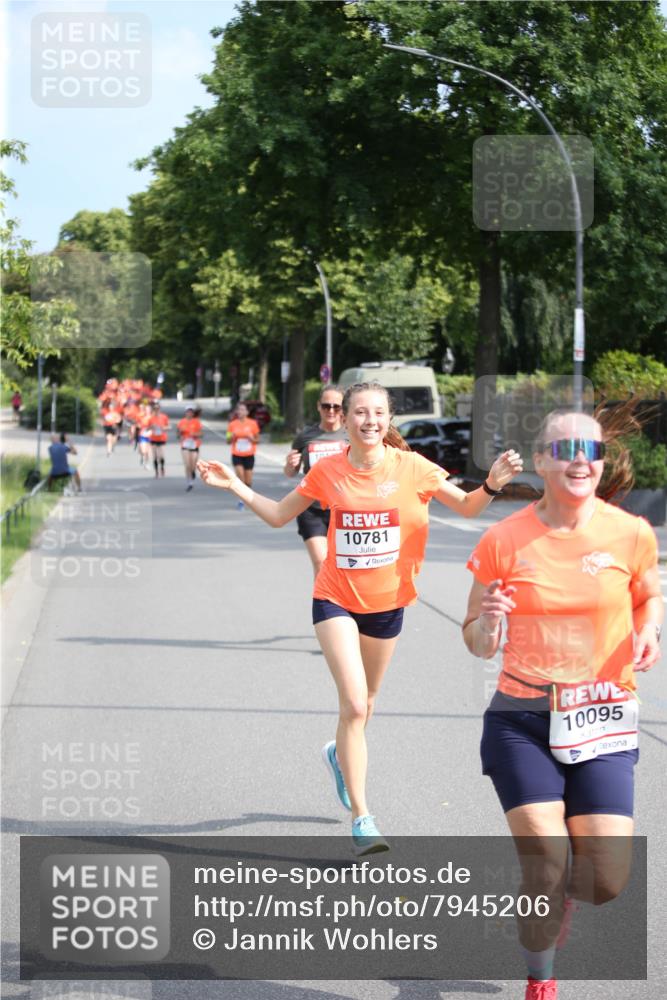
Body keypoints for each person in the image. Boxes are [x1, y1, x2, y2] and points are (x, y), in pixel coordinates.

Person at [199, 381, 523, 854]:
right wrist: (235, 485)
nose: (369, 421)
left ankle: (337, 754)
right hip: (335, 598)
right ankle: (363, 817)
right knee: (353, 705)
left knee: (367, 703)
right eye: (359, 413)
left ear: (388, 420)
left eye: (378, 413)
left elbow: (470, 507)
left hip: (389, 604)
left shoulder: (413, 467)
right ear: (344, 420)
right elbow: (278, 515)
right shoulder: (328, 470)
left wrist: (492, 482)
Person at [462, 408, 662, 1000]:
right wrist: (489, 626)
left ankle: (554, 898)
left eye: (591, 449)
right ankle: (540, 978)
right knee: (546, 861)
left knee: (604, 882)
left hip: (601, 717)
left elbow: (650, 596)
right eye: (566, 447)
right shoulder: (504, 539)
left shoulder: (631, 533)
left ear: (601, 463)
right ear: (544, 460)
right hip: (521, 719)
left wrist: (651, 627)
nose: (581, 458)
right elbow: (474, 637)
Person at [283, 385, 347, 577]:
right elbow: (290, 473)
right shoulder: (305, 437)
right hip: (311, 509)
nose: (331, 411)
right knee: (321, 562)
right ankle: (323, 606)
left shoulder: (351, 435)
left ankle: (343, 606)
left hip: (344, 509)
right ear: (319, 407)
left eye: (337, 406)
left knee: (343, 566)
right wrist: (290, 464)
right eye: (327, 406)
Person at [226, 401, 260, 510]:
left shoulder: (253, 424)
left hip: (249, 454)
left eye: (242, 409)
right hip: (237, 454)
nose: (240, 411)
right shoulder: (232, 424)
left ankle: (247, 497)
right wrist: (232, 437)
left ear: (247, 412)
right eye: (238, 409)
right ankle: (241, 500)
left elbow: (257, 440)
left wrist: (252, 439)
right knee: (240, 476)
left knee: (248, 480)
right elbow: (227, 440)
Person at [177, 404, 204, 491]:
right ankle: (189, 482)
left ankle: (192, 474)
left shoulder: (197, 422)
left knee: (193, 464)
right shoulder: (181, 422)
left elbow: (201, 434)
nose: (189, 413)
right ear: (185, 413)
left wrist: (195, 434)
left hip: (194, 444)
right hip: (185, 444)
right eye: (188, 411)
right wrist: (180, 434)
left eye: (191, 412)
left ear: (193, 413)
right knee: (187, 464)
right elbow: (178, 434)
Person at [149, 401, 170, 478]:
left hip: (162, 438)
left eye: (157, 408)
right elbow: (147, 427)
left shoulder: (164, 417)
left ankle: (162, 468)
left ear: (159, 409)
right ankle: (156, 472)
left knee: (161, 455)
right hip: (153, 438)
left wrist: (163, 428)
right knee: (154, 456)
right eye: (155, 408)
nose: (156, 410)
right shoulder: (151, 417)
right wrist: (152, 427)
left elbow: (168, 427)